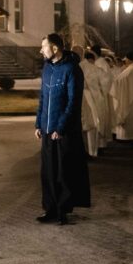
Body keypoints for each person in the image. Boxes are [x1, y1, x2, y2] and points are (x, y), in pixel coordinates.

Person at [35, 33, 91, 225]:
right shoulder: (47, 69)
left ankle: (62, 210)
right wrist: (38, 123)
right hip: (47, 130)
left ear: (55, 48)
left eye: (44, 46)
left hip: (64, 132)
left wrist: (61, 127)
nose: (41, 50)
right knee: (48, 172)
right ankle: (50, 209)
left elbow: (73, 102)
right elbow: (43, 98)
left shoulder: (72, 69)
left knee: (63, 173)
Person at [111, 51, 133, 141]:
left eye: (126, 60)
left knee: (129, 116)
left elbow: (119, 80)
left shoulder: (130, 70)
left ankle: (128, 136)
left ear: (128, 59)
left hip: (128, 96)